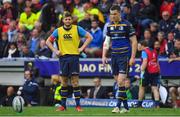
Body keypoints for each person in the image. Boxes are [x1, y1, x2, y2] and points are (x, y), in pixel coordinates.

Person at [46, 11, 92, 112]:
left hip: (74, 57)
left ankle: (78, 106)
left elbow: (89, 37)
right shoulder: (58, 31)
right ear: (63, 20)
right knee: (64, 82)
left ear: (72, 20)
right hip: (63, 58)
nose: (67, 21)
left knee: (75, 82)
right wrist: (55, 51)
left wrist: (81, 48)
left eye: (69, 19)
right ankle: (63, 106)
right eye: (66, 19)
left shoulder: (77, 29)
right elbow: (48, 41)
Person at [102, 5, 137, 113]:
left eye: (115, 14)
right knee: (119, 83)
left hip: (124, 56)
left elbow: (134, 42)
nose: (112, 16)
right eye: (111, 14)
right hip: (114, 56)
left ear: (119, 13)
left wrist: (132, 57)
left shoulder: (127, 25)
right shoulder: (109, 26)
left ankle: (117, 106)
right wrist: (103, 55)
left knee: (121, 81)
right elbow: (106, 42)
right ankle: (126, 107)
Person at [137, 40, 160, 108]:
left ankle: (139, 105)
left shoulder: (144, 52)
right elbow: (157, 62)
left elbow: (145, 61)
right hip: (155, 71)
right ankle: (157, 105)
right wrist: (159, 71)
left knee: (142, 88)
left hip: (147, 72)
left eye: (139, 46)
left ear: (142, 46)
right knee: (155, 88)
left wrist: (141, 69)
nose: (138, 47)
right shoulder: (154, 51)